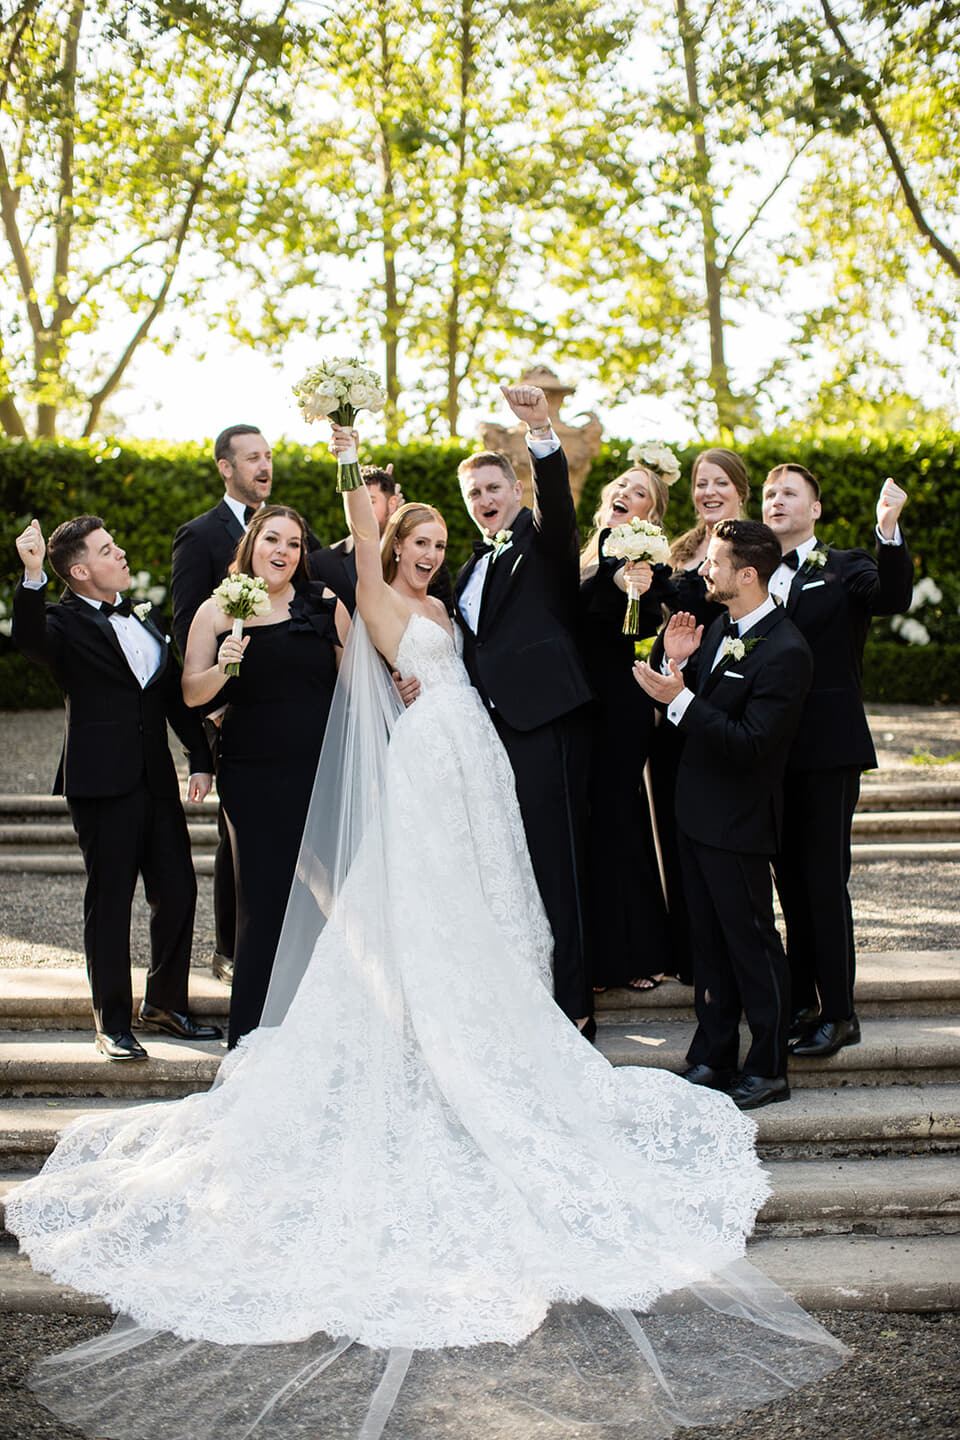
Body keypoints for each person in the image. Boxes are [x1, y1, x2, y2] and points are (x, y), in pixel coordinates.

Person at [6, 447, 843, 1440]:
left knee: (491, 908)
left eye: (443, 540)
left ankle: (499, 1021)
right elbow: (356, 547)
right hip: (423, 770)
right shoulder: (373, 595)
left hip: (474, 760)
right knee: (421, 911)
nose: (432, 551)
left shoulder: (450, 604)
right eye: (421, 538)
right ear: (395, 543)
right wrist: (348, 447)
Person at [12, 516, 221, 1060]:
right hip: (102, 783)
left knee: (178, 890)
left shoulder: (144, 617)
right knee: (110, 902)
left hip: (157, 778)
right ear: (81, 571)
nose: (121, 553)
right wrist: (32, 574)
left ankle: (165, 1004)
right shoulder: (60, 623)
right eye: (107, 550)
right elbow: (29, 640)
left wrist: (200, 757)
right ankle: (111, 1023)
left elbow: (169, 695)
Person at [636, 519, 814, 1111]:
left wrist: (681, 698)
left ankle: (768, 1067)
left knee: (752, 946)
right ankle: (713, 1054)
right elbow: (696, 712)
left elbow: (752, 743)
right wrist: (679, 668)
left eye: (715, 562)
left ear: (748, 574)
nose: (705, 570)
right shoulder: (717, 628)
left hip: (739, 821)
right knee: (708, 943)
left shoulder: (787, 651)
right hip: (695, 812)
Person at [182, 505, 349, 1049]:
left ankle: (328, 1028)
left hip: (321, 768)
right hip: (251, 773)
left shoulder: (323, 601)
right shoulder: (216, 610)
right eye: (273, 539)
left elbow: (357, 680)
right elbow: (191, 694)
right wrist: (223, 665)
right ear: (252, 543)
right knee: (261, 900)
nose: (283, 551)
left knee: (333, 896)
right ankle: (254, 1037)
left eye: (294, 543)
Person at [455, 383, 594, 1033]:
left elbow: (558, 505)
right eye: (474, 493)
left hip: (545, 722)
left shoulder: (542, 541)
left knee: (557, 864)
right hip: (487, 732)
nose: (484, 500)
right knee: (510, 863)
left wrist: (540, 432)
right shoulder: (466, 570)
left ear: (515, 491)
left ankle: (575, 1006)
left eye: (493, 488)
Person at [762, 464, 912, 1058]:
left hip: (828, 749)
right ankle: (801, 1001)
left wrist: (887, 528)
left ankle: (841, 1013)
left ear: (816, 509)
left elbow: (892, 598)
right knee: (789, 885)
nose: (776, 501)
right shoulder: (751, 574)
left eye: (789, 493)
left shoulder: (846, 566)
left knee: (824, 881)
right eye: (770, 493)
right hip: (769, 752)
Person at [170, 423, 321, 983]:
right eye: (253, 457)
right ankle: (234, 954)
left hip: (298, 727)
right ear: (226, 467)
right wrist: (212, 713)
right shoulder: (199, 536)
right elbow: (187, 628)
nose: (265, 465)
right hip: (235, 719)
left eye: (269, 456)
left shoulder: (297, 538)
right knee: (243, 855)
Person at [649, 447, 752, 986]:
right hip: (672, 704)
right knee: (674, 829)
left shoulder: (751, 548)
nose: (709, 492)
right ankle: (689, 954)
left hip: (722, 710)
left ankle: (734, 958)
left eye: (720, 483)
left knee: (722, 839)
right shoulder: (679, 550)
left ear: (740, 491)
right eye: (701, 483)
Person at [578, 462, 676, 991]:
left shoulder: (640, 560)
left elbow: (642, 602)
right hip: (580, 704)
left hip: (617, 704)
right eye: (622, 485)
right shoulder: (588, 549)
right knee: (591, 824)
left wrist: (626, 580)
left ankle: (641, 953)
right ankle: (601, 955)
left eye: (639, 492)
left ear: (650, 515)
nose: (625, 493)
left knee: (620, 822)